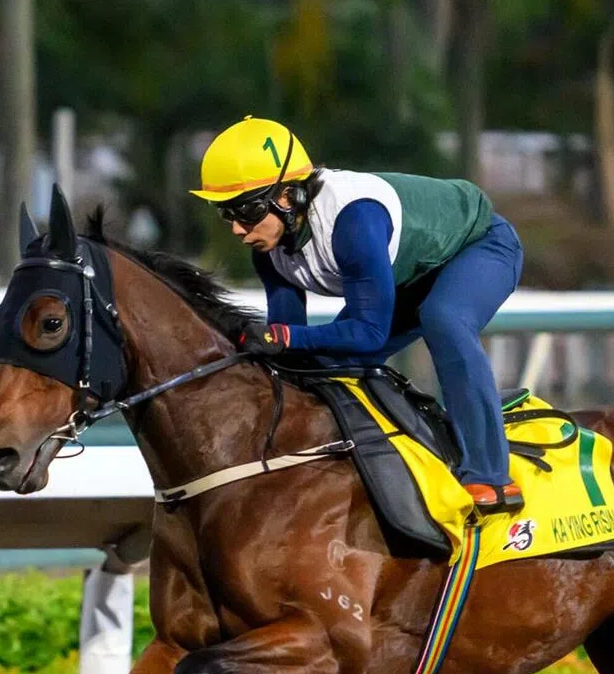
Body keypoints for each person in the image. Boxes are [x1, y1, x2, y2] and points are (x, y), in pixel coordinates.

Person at [191, 116, 525, 515]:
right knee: (322, 364)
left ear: (286, 197)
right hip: (411, 272)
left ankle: (491, 476)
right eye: (225, 213)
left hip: (482, 244)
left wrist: (283, 339)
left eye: (244, 211)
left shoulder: (354, 220)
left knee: (444, 318)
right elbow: (290, 344)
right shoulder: (269, 247)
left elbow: (368, 332)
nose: (237, 229)